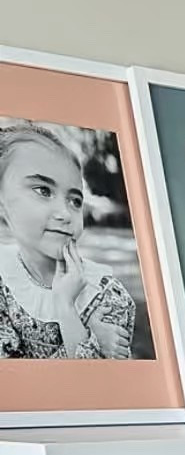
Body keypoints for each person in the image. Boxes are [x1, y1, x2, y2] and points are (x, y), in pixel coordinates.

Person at [0, 121, 135, 359]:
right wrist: (89, 338)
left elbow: (104, 389)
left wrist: (66, 307)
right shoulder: (5, 284)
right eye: (43, 190)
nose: (65, 214)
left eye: (75, 200)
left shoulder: (107, 293)